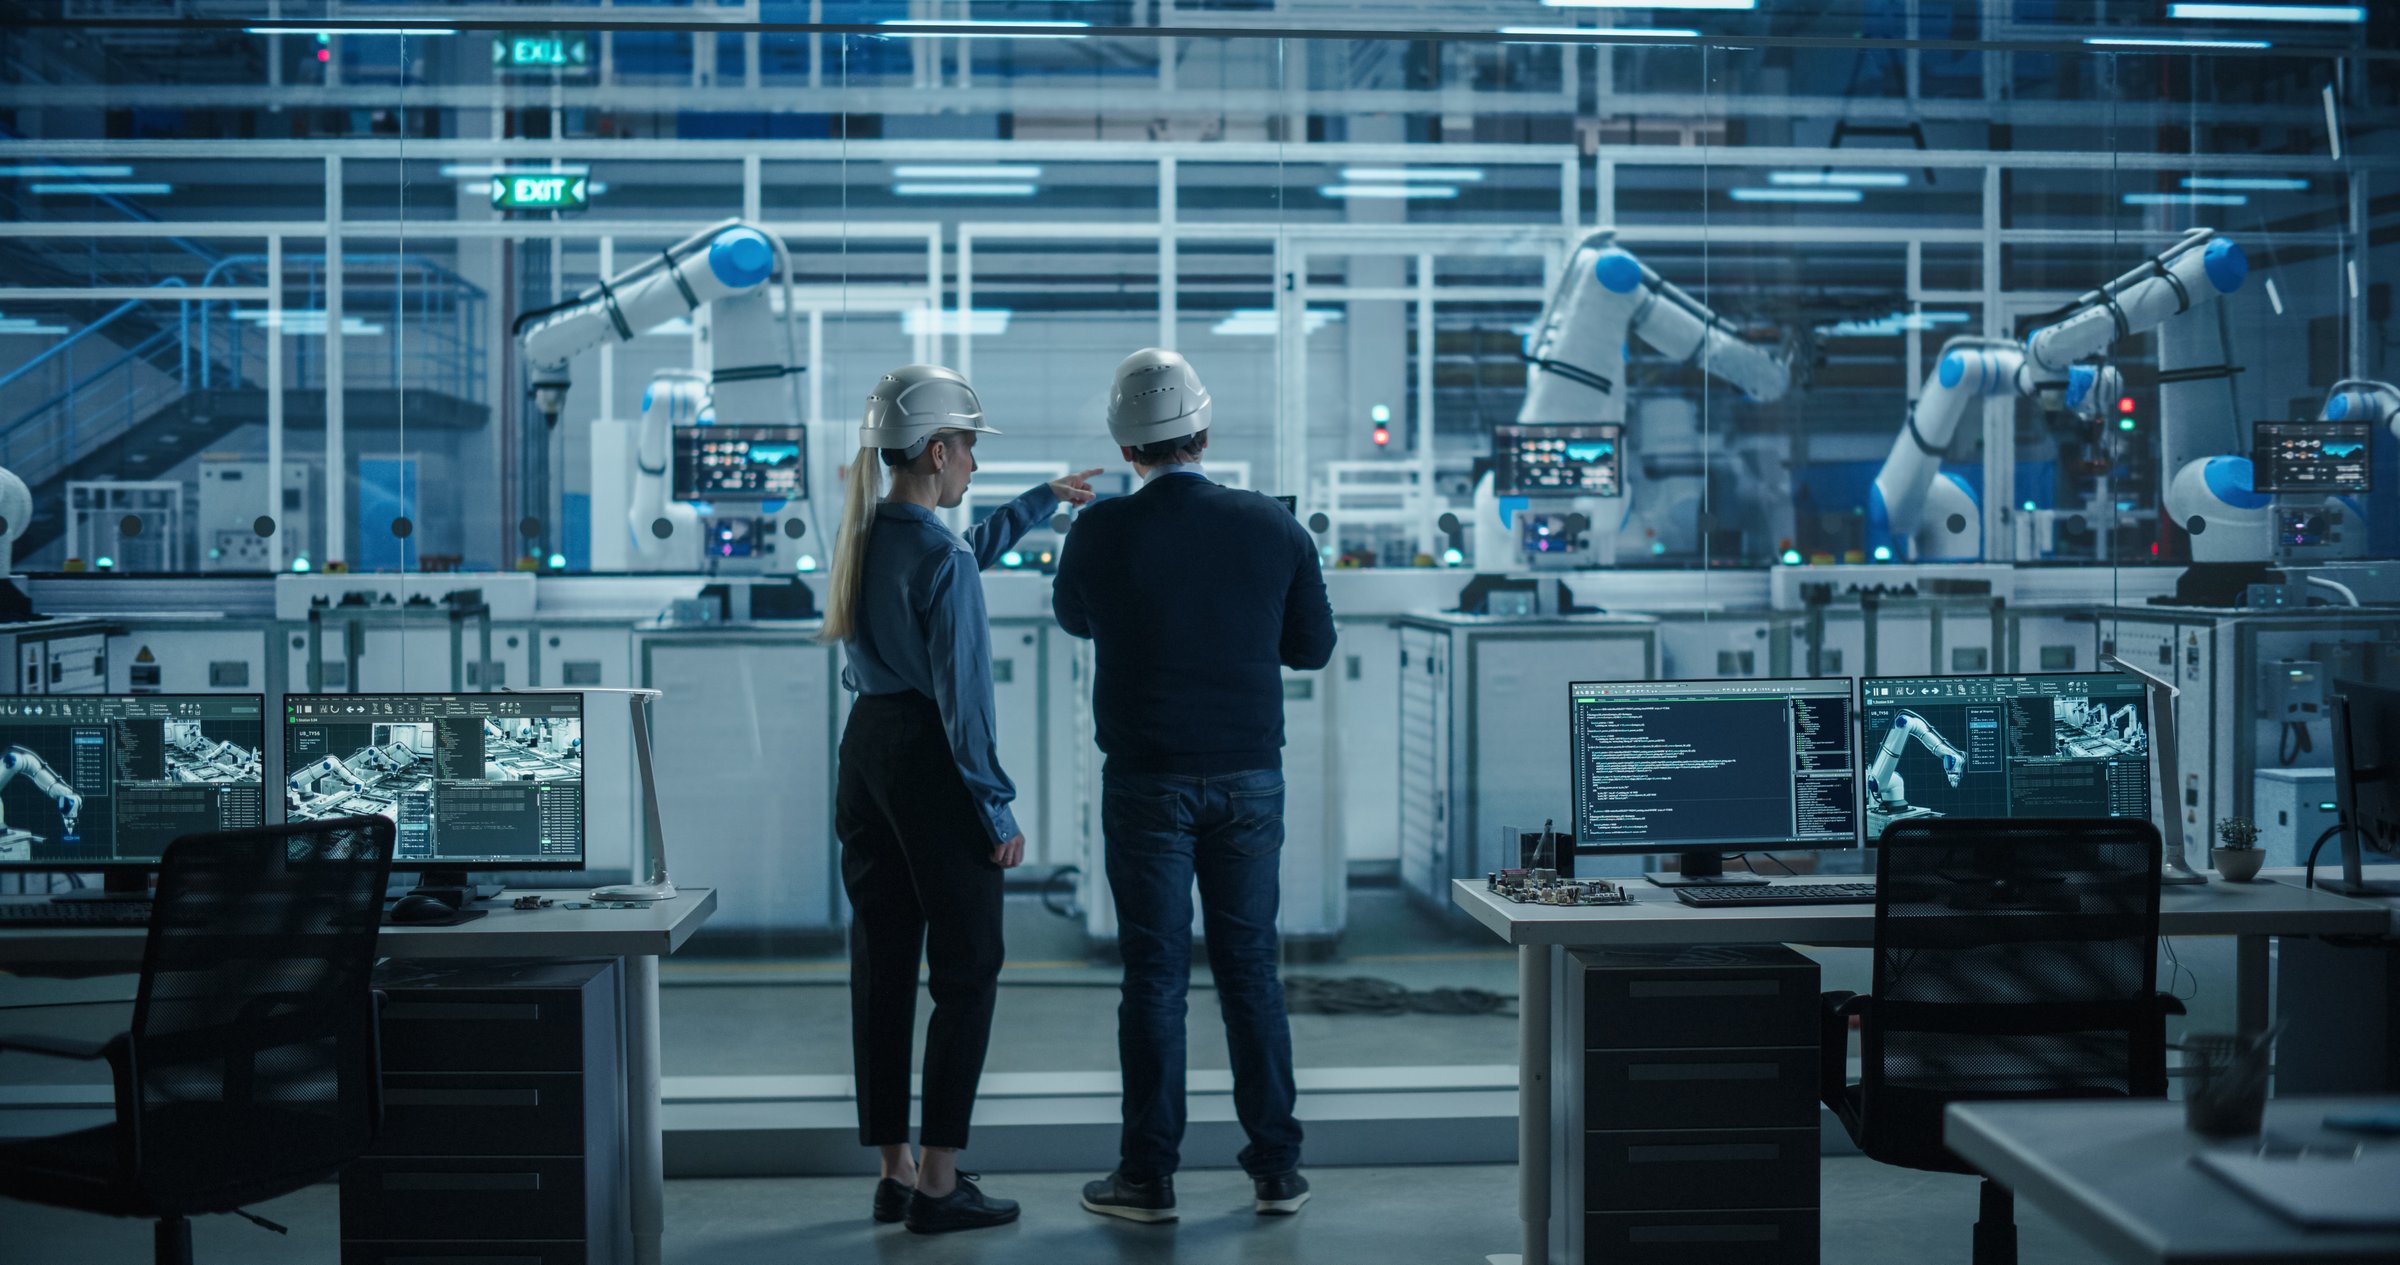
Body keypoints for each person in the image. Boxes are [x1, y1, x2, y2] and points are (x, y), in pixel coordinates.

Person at [1052, 348, 1337, 1223]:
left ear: (1127, 446)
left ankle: (1148, 1178)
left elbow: (1073, 617)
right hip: (1249, 780)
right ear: (1203, 433)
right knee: (1252, 970)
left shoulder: (1096, 531)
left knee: (1155, 977)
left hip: (1147, 784)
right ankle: (1276, 1170)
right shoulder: (1273, 528)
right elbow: (1312, 648)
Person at [821, 363, 1100, 1235]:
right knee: (969, 968)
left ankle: (894, 1168)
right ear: (938, 451)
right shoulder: (936, 557)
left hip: (865, 750)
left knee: (883, 961)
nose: (973, 467)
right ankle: (942, 1181)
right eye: (971, 451)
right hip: (932, 763)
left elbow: (959, 551)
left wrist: (1036, 501)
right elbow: (964, 701)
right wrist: (997, 809)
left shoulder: (865, 536)